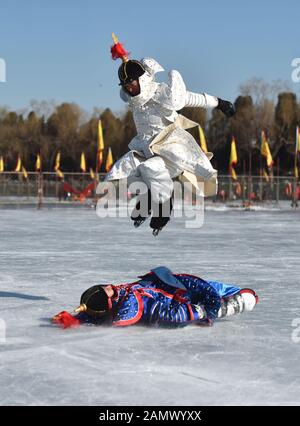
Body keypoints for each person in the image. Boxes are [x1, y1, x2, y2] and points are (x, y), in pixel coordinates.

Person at [103, 34, 235, 235]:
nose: (130, 89)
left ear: (141, 79)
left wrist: (219, 103)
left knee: (151, 167)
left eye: (132, 83)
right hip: (146, 147)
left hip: (170, 149)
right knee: (130, 170)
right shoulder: (133, 100)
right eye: (126, 86)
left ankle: (164, 207)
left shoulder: (161, 93)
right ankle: (147, 201)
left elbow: (190, 97)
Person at [52, 266, 258, 329]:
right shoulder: (135, 304)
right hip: (186, 296)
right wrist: (206, 311)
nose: (109, 286)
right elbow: (172, 314)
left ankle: (232, 298)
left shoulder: (120, 296)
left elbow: (93, 314)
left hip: (173, 285)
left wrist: (75, 318)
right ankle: (234, 303)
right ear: (111, 302)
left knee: (220, 289)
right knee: (233, 293)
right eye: (107, 290)